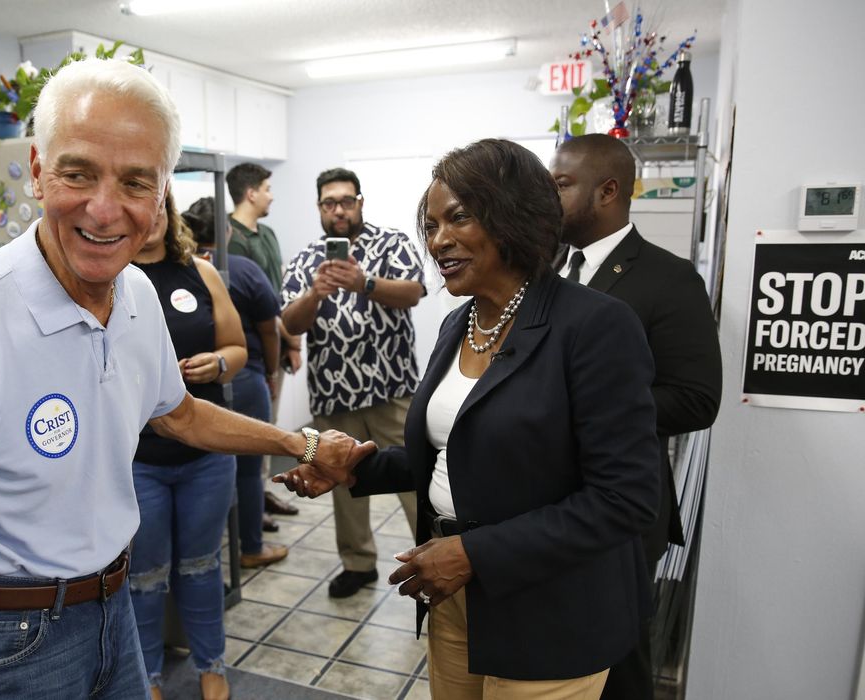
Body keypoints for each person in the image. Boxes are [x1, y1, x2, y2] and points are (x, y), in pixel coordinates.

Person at [0, 57, 372, 700]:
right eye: (78, 173)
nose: (104, 209)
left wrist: (302, 444)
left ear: (160, 197)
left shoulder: (136, 295)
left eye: (134, 182)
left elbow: (178, 413)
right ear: (39, 174)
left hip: (112, 613)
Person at [277, 138, 661, 699]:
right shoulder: (459, 324)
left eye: (458, 218)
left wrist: (474, 554)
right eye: (430, 225)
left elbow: (625, 498)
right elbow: (451, 455)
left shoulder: (595, 326)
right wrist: (357, 469)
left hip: (548, 613)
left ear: (514, 215)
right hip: (454, 600)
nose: (438, 241)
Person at [550, 134, 722, 700]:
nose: (549, 197)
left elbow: (697, 398)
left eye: (561, 184)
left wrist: (588, 407)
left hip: (618, 505)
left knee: (616, 663)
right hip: (542, 501)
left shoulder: (668, 279)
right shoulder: (546, 267)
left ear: (608, 190)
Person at [280, 167, 425, 599]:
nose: (338, 209)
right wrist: (315, 294)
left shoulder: (392, 242)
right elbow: (290, 322)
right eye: (329, 203)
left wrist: (364, 283)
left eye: (346, 200)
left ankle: (434, 556)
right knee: (342, 480)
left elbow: (414, 292)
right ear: (320, 208)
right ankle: (358, 563)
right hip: (333, 393)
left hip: (391, 389)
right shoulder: (307, 258)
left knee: (415, 477)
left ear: (360, 202)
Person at [128, 191, 247, 700]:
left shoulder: (201, 273)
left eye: (159, 206)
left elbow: (238, 348)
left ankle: (211, 665)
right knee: (144, 576)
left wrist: (217, 364)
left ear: (169, 213)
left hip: (205, 456)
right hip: (136, 461)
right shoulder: (108, 279)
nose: (150, 218)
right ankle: (147, 677)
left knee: (202, 566)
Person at [183, 196, 289, 570]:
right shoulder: (241, 269)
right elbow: (270, 329)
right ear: (226, 230)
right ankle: (251, 546)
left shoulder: (182, 272)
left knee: (206, 467)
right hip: (243, 376)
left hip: (192, 382)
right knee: (248, 467)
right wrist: (271, 372)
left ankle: (213, 547)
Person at [224, 162, 301, 526]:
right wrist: (290, 338)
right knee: (251, 432)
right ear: (251, 193)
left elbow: (278, 286)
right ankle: (247, 507)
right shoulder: (229, 238)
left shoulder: (266, 234)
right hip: (257, 344)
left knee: (267, 424)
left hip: (280, 338)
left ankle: (262, 493)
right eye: (267, 188)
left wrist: (291, 341)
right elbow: (257, 307)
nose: (272, 194)